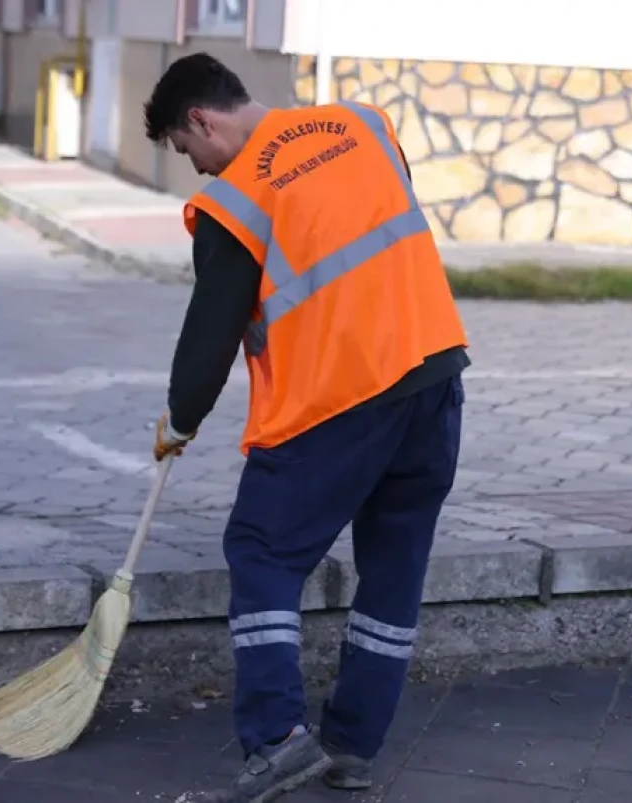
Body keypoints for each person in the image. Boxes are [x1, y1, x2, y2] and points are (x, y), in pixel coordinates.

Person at [144, 52, 470, 802]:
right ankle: (353, 745)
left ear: (201, 119)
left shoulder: (237, 200)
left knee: (261, 550)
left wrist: (180, 418)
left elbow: (210, 336)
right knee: (393, 563)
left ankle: (278, 738)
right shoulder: (364, 124)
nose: (197, 170)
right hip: (435, 378)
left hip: (338, 400)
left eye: (187, 151)